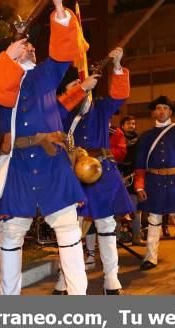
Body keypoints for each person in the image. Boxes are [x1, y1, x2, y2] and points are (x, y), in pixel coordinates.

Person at [0, 0, 88, 295]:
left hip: (51, 162)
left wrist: (60, 8)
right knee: (11, 235)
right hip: (17, 166)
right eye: (23, 45)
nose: (30, 48)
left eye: (31, 46)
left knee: (67, 230)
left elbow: (64, 53)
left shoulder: (45, 74)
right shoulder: (1, 77)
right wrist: (8, 59)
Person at [50, 48, 134, 295]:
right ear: (67, 92)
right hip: (72, 172)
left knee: (106, 224)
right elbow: (60, 111)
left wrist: (117, 65)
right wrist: (81, 88)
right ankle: (66, 279)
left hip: (102, 171)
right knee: (70, 227)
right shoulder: (61, 111)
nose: (81, 89)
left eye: (82, 84)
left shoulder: (100, 108)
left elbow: (119, 97)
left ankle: (111, 277)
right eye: (74, 86)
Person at [134, 96, 175, 271]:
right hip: (153, 181)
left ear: (170, 112)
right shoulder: (146, 136)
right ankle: (151, 257)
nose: (161, 111)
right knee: (153, 219)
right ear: (154, 112)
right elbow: (140, 165)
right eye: (158, 108)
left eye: (165, 108)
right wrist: (140, 185)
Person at [116, 115, 144, 245]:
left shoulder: (140, 140)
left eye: (133, 123)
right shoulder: (115, 138)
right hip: (117, 176)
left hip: (133, 177)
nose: (132, 126)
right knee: (116, 209)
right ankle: (115, 238)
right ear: (122, 126)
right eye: (128, 123)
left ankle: (136, 237)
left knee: (135, 208)